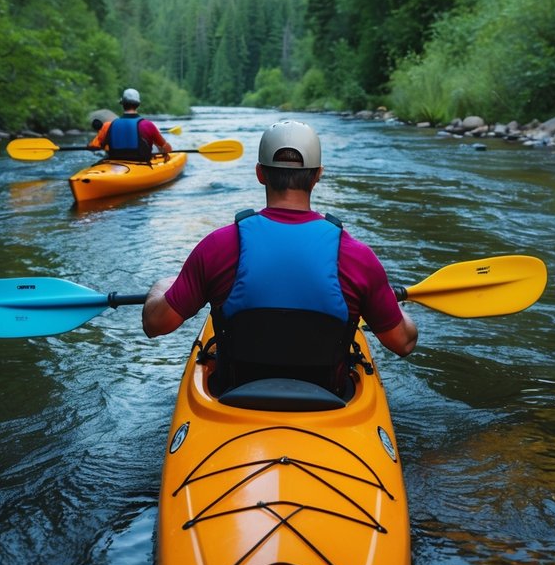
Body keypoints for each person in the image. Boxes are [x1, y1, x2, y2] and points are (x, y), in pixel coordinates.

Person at [142, 120, 417, 396]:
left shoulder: (217, 247)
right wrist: (386, 301)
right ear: (318, 175)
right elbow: (402, 342)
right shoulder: (358, 258)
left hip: (234, 397)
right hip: (329, 400)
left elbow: (156, 324)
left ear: (260, 173)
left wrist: (161, 287)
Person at [88, 88, 172, 162]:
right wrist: (161, 149)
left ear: (123, 104)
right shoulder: (147, 125)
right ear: (138, 105)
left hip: (115, 164)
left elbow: (93, 146)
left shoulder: (108, 126)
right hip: (141, 166)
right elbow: (167, 149)